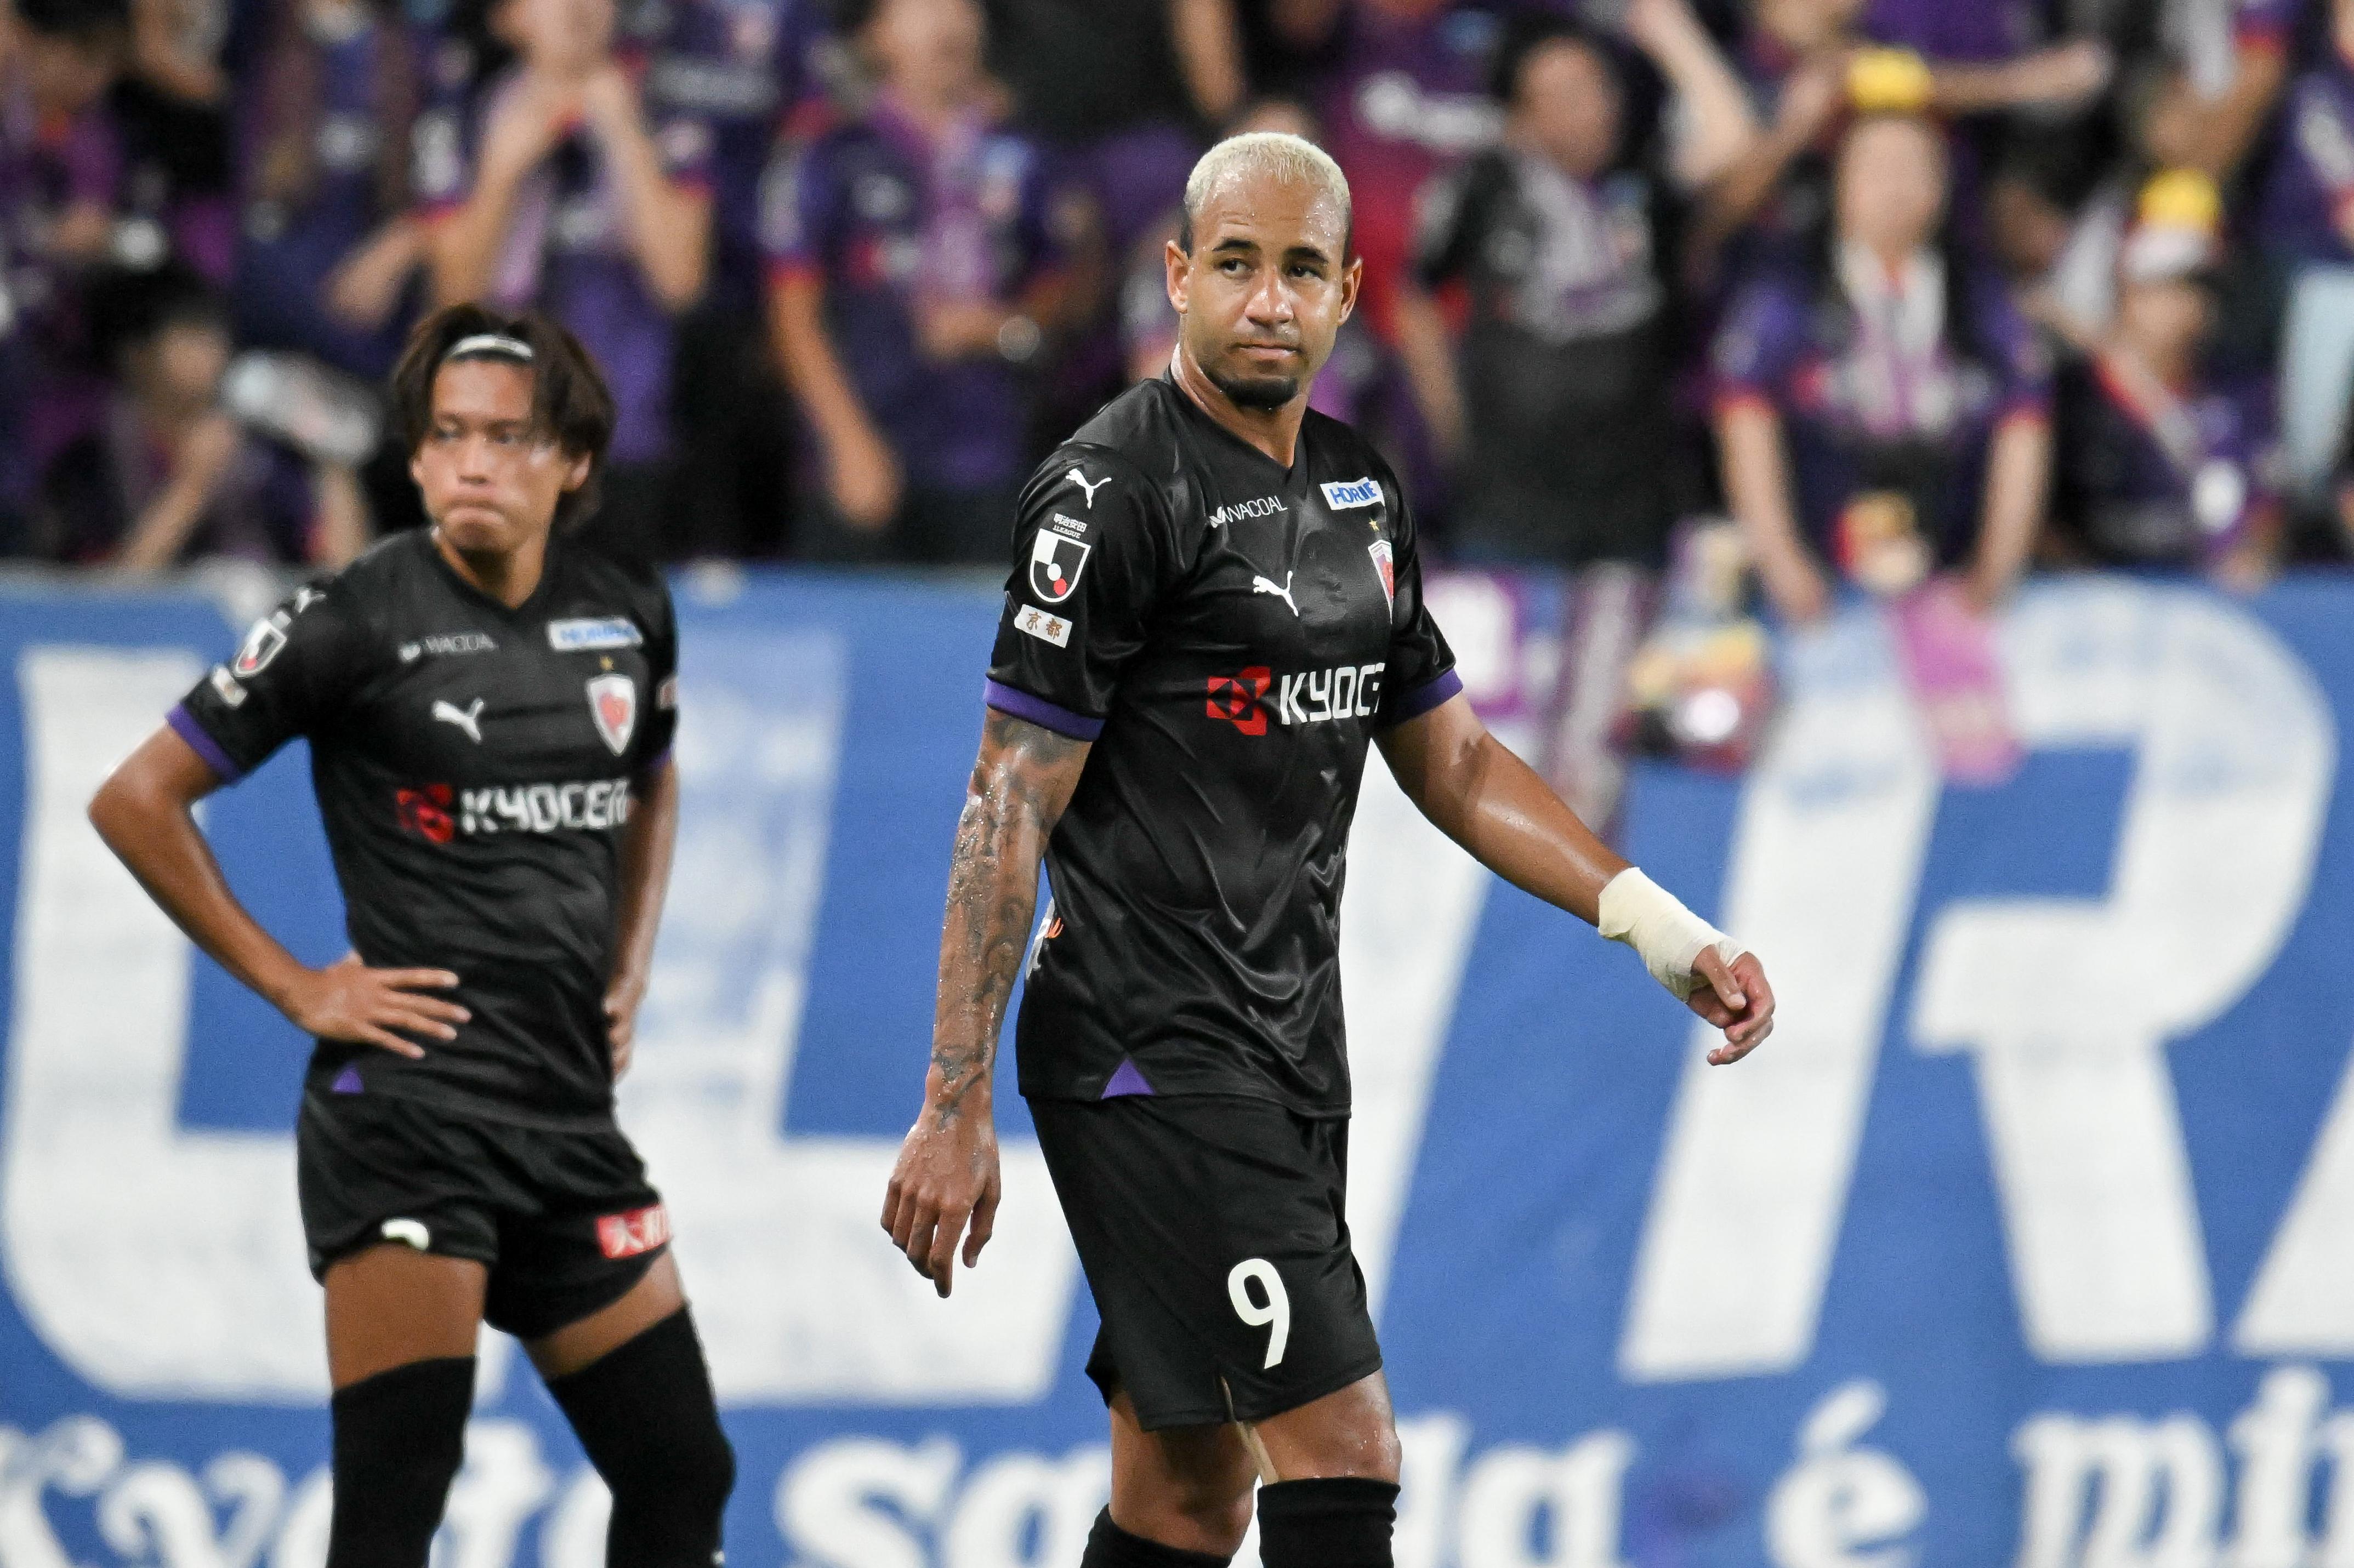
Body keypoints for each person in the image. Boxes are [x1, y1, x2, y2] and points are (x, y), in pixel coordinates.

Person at [880, 132, 1776, 1568]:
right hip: (1147, 1045)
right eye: (1234, 263)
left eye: (1300, 269)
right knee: (1342, 1449)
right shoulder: (1110, 492)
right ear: (1177, 275)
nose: (1266, 299)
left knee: (1185, 1496)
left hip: (1287, 1047)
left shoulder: (1359, 493)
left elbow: (1454, 760)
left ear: (1347, 292)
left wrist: (1665, 931)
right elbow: (1007, 797)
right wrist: (949, 1098)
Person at [86, 305, 733, 1568]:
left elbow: (651, 780)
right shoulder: (351, 615)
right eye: (446, 435)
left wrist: (629, 963)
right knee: (397, 1497)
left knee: (682, 1471)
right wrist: (295, 984)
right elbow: (136, 797)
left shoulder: (624, 608)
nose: (470, 462)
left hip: (565, 1110)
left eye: (506, 436)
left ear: (573, 460)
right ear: (418, 456)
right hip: (409, 1115)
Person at [1712, 109, 2054, 623]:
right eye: (1875, 167)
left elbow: (2025, 422)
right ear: (1840, 183)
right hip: (1822, 577)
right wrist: (1782, 561)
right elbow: (1744, 416)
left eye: (1913, 167)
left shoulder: (1980, 294)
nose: (1894, 185)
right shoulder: (1788, 288)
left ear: (1941, 188)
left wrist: (1995, 568)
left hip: (1951, 575)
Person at [765, 0, 1074, 563]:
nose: (948, 21)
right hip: (863, 457)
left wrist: (1006, 328)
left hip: (985, 459)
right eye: (922, 6)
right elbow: (792, 313)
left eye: (963, 6)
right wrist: (846, 441)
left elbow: (1061, 285)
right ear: (874, 35)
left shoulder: (1019, 151)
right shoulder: (832, 149)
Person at [420, 0, 714, 567]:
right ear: (510, 18)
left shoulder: (664, 113)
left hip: (623, 435)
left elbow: (681, 282)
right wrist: (502, 170)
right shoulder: (467, 114)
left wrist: (624, 135)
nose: (577, 9)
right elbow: (452, 297)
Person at [36, 264, 371, 568]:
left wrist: (329, 456)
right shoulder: (91, 463)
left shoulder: (263, 447)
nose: (212, 352)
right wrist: (192, 485)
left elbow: (342, 577)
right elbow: (103, 597)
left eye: (216, 335)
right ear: (136, 355)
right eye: (191, 337)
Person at [2051, 170, 2280, 586]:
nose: (2191, 303)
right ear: (2127, 290)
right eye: (2171, 285)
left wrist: (2254, 552)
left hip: (2207, 601)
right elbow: (2043, 518)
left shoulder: (2242, 392)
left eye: (2204, 287)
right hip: (2093, 600)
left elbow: (2268, 504)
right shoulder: (2073, 396)